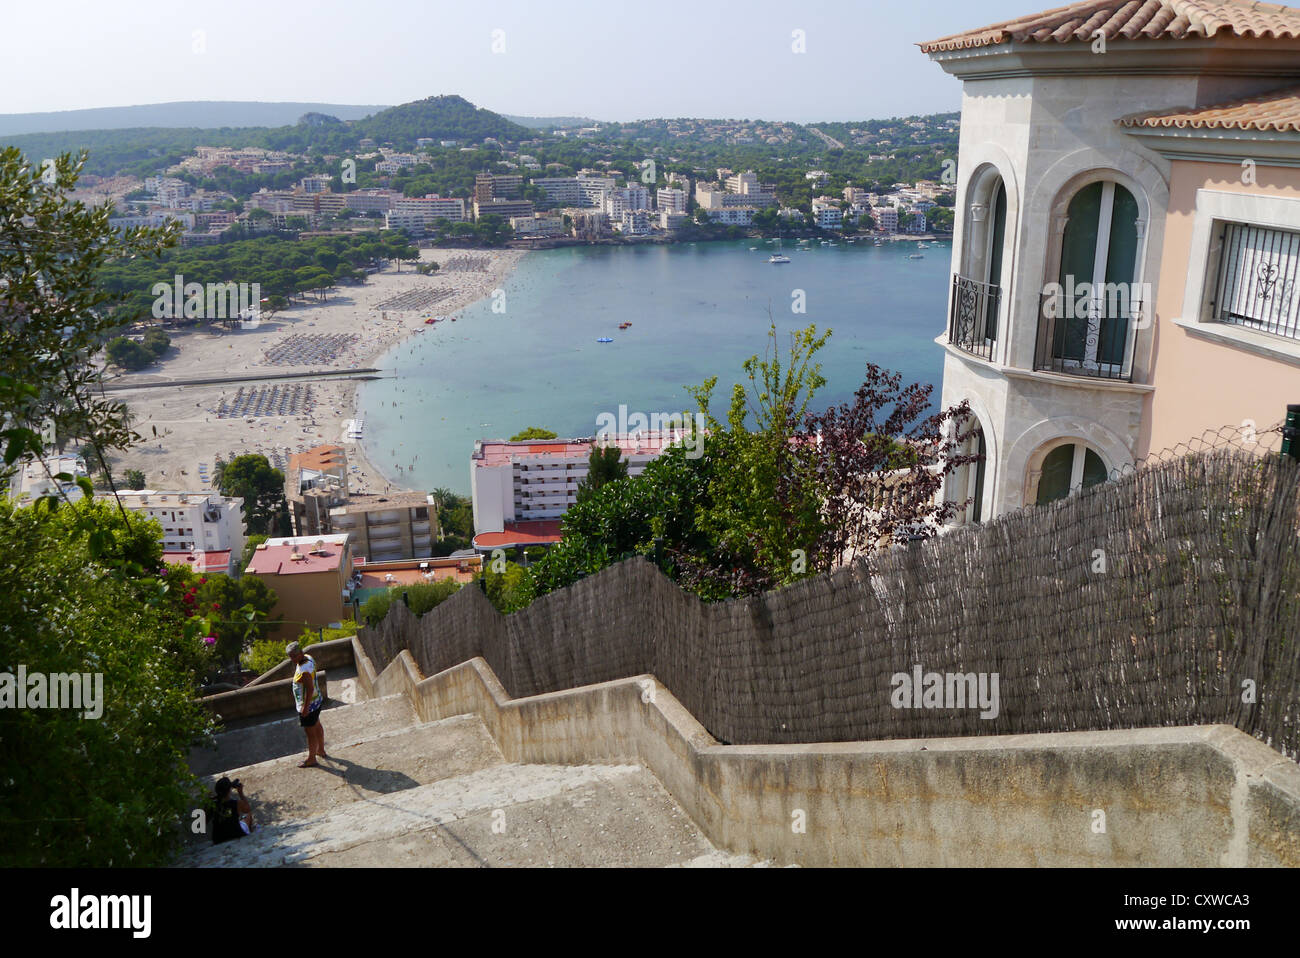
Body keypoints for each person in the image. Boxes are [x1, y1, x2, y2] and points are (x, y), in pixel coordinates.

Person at [287, 641, 326, 767]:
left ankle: (311, 758)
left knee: (310, 732)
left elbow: (309, 689)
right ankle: (321, 750)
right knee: (317, 724)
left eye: (294, 656)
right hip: (316, 700)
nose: (292, 659)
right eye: (290, 656)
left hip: (309, 705)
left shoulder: (304, 670)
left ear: (300, 653)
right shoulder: (308, 658)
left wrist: (305, 707)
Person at [211, 777, 254, 844]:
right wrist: (240, 793)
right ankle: (251, 833)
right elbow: (247, 809)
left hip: (218, 838)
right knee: (248, 815)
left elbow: (204, 821)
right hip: (236, 834)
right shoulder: (237, 803)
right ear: (229, 790)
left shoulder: (211, 805)